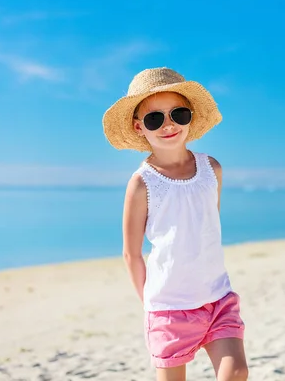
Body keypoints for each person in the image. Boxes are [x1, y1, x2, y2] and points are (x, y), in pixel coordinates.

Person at [102, 67, 248, 381]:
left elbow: (209, 224)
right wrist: (151, 304)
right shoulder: (142, 184)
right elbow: (132, 253)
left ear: (190, 117)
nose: (168, 125)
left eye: (178, 114)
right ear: (139, 127)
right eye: (155, 119)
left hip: (217, 296)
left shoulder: (212, 168)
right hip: (168, 307)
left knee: (236, 372)